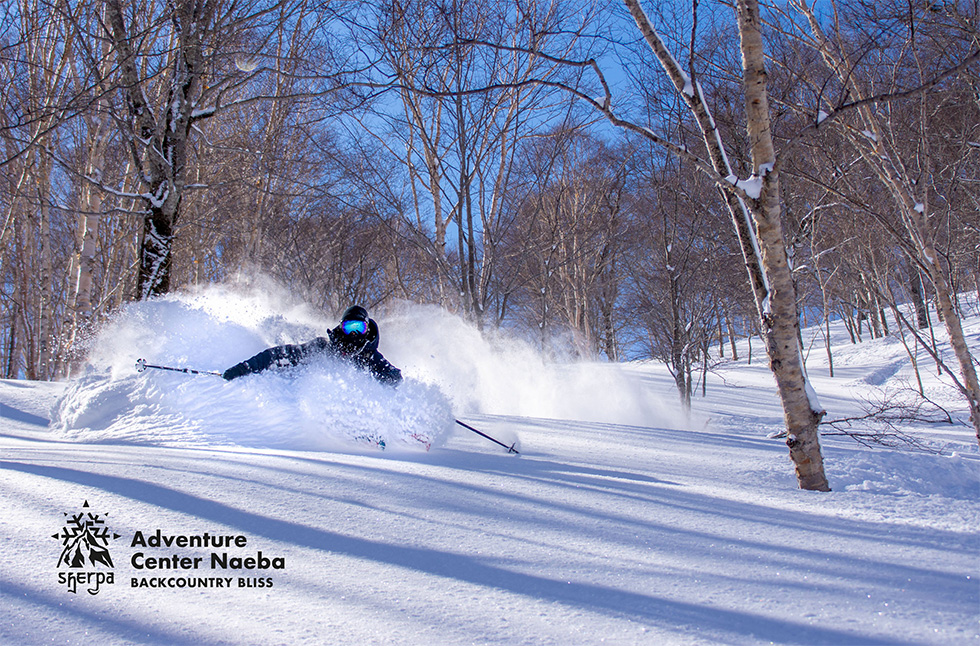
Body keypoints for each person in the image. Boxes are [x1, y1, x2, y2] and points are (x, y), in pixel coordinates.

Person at [222, 305, 402, 386]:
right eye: (349, 327)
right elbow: (278, 354)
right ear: (341, 328)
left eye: (359, 327)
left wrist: (377, 380)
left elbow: (395, 376)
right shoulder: (323, 349)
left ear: (367, 330)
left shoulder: (370, 356)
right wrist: (244, 368)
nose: (353, 334)